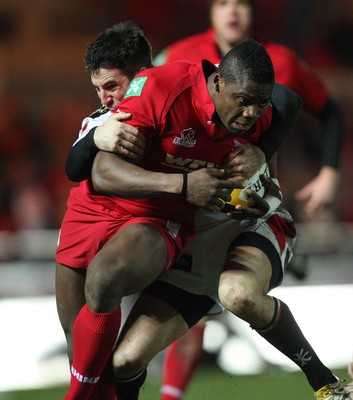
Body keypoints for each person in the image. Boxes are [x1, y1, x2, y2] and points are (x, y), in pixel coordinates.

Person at [63, 38, 351, 400]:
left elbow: (290, 100)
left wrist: (262, 154)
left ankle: (329, 386)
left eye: (260, 104)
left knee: (238, 293)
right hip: (199, 238)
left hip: (258, 226)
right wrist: (179, 183)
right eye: (244, 102)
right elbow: (91, 170)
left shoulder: (258, 116)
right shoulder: (164, 96)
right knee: (124, 361)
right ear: (218, 83)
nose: (251, 114)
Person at [154, 1, 345, 398]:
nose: (233, 11)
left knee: (232, 291)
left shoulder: (282, 61)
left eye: (241, 2)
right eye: (223, 2)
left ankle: (284, 252)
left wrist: (328, 174)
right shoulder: (177, 56)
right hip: (195, 207)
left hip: (253, 208)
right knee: (195, 312)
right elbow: (145, 101)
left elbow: (327, 111)